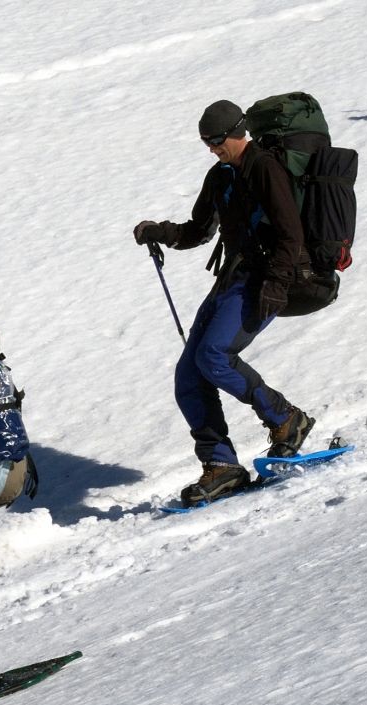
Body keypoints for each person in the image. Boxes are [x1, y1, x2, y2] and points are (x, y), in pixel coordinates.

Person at [133, 99, 315, 506]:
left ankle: (286, 419)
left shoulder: (265, 168)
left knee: (214, 355)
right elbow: (198, 230)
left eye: (216, 140)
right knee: (188, 378)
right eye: (206, 142)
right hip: (231, 280)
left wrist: (276, 283)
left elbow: (291, 233)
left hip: (263, 280)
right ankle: (222, 465)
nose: (212, 148)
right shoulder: (220, 175)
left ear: (238, 131)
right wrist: (158, 231)